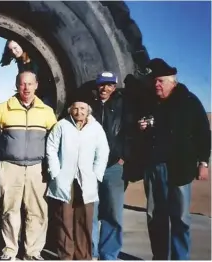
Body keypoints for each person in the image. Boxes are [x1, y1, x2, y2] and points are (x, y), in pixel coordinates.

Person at [136, 58, 210, 260]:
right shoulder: (149, 101)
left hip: (180, 169)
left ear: (172, 82)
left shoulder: (189, 101)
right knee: (155, 216)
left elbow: (204, 133)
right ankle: (160, 257)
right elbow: (140, 130)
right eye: (154, 81)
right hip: (153, 168)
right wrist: (142, 128)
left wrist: (203, 162)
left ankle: (180, 257)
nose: (156, 85)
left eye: (160, 81)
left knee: (180, 218)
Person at [0, 71, 57, 260]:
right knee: (10, 211)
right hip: (10, 167)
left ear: (36, 85)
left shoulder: (47, 112)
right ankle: (9, 251)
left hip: (38, 169)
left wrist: (51, 168)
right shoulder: (3, 109)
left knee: (38, 212)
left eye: (30, 84)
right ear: (17, 85)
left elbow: (55, 142)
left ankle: (33, 253)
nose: (26, 88)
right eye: (22, 84)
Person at [46, 99, 110, 260]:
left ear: (88, 110)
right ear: (70, 110)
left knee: (84, 220)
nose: (79, 112)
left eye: (83, 108)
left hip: (86, 180)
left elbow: (103, 152)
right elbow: (51, 148)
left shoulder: (96, 128)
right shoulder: (62, 125)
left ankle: (83, 256)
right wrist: (55, 173)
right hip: (65, 179)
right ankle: (66, 256)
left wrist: (96, 174)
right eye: (75, 108)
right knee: (64, 220)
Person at [87, 72, 132, 260]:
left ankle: (109, 255)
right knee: (91, 213)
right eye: (102, 85)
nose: (105, 89)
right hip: (90, 168)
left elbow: (130, 133)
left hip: (114, 167)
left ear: (114, 87)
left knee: (113, 214)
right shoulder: (89, 106)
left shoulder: (123, 105)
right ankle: (91, 252)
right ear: (97, 86)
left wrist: (123, 157)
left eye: (109, 85)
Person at [0, 40, 53, 108]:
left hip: (45, 92)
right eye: (10, 50)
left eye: (15, 48)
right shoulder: (20, 63)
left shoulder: (34, 57)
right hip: (34, 94)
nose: (13, 52)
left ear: (21, 45)